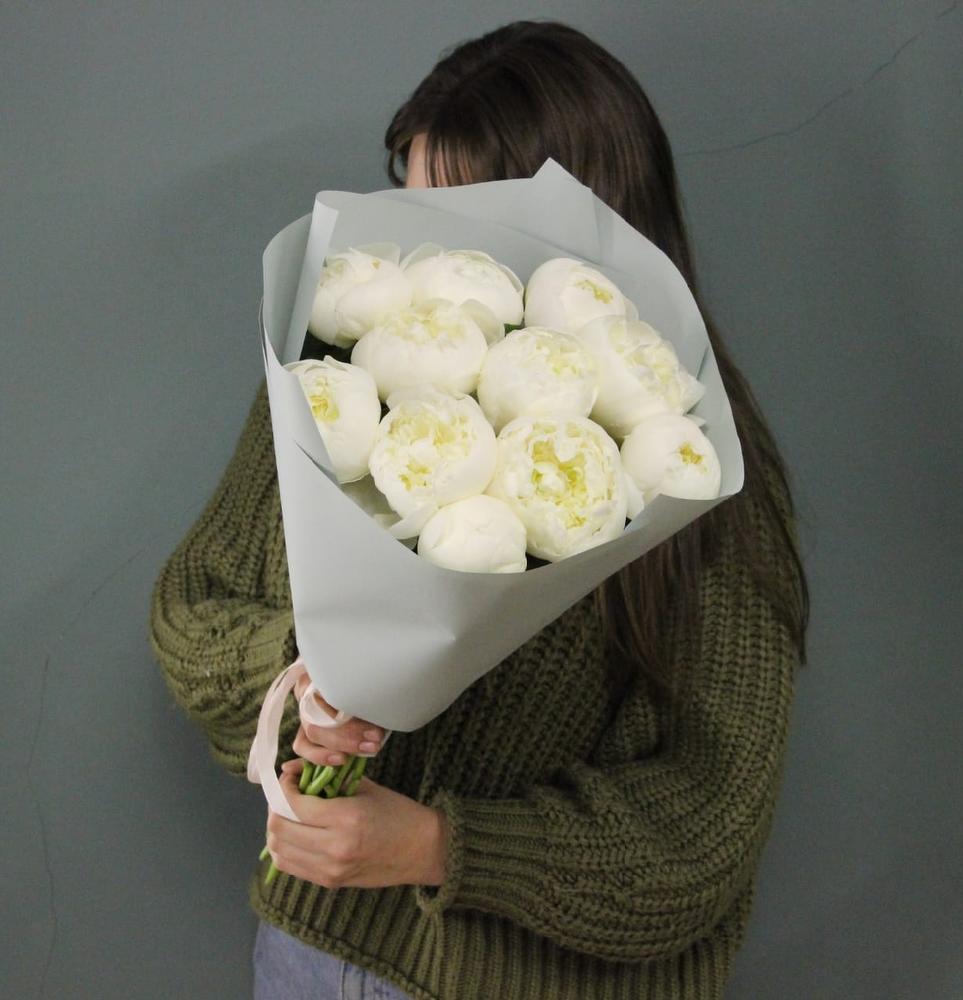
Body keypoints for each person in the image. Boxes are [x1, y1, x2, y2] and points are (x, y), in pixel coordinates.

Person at [149, 19, 809, 1000]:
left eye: (461, 214)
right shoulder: (335, 383)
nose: (425, 255)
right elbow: (194, 612)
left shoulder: (694, 466)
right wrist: (305, 682)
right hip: (308, 959)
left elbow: (703, 834)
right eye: (411, 201)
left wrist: (439, 846)